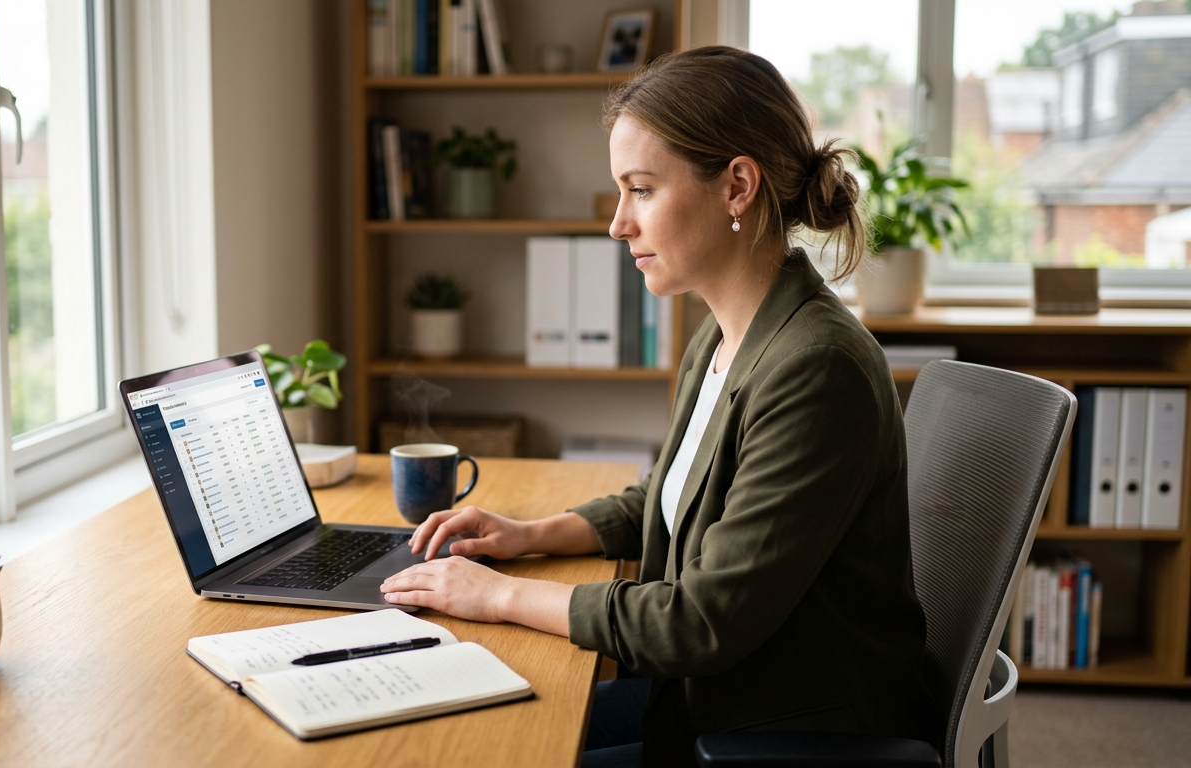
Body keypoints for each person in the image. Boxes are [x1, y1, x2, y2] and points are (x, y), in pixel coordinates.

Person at [379, 45, 941, 767]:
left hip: (775, 728)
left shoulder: (816, 369)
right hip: (703, 697)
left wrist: (498, 597)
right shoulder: (724, 332)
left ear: (737, 185)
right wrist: (529, 534)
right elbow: (672, 498)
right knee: (461, 728)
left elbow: (700, 619)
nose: (618, 224)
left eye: (640, 189)